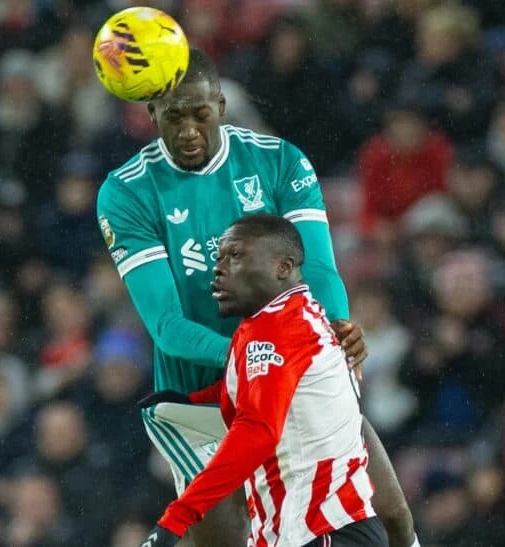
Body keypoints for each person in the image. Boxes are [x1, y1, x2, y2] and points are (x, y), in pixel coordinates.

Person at [97, 48, 414, 546]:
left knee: (391, 513)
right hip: (201, 402)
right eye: (174, 118)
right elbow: (167, 327)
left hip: (292, 379)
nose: (188, 131)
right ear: (151, 114)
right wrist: (256, 357)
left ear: (221, 106)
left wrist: (335, 324)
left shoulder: (278, 161)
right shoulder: (127, 192)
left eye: (200, 114)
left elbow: (319, 268)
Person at [139, 214, 394, 546]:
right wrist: (191, 401)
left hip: (323, 531)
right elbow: (265, 391)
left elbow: (258, 430)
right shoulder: (291, 319)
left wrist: (177, 519)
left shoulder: (278, 331)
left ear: (282, 267)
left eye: (235, 255)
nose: (218, 269)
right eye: (219, 258)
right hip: (321, 530)